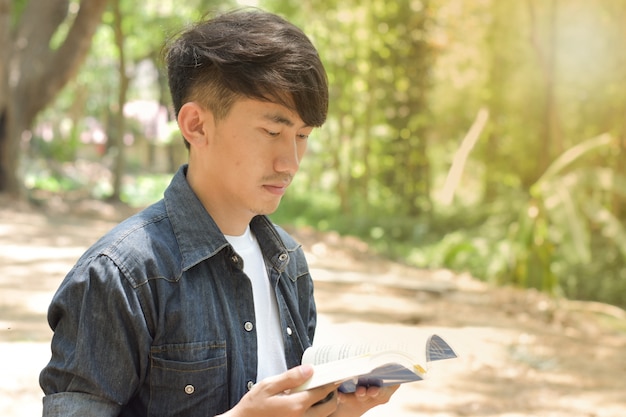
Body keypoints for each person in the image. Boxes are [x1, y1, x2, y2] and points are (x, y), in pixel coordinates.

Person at [39, 8, 398, 417]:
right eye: (272, 132)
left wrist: (338, 410)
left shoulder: (288, 262)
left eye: (302, 136)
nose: (291, 162)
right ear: (196, 125)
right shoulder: (123, 276)